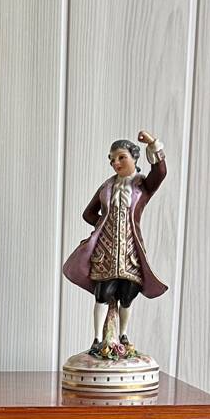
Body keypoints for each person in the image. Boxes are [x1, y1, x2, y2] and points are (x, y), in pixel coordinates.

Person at [62, 130, 167, 355]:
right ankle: (98, 338)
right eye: (112, 159)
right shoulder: (107, 187)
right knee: (102, 293)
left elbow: (160, 172)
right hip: (106, 252)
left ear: (134, 157)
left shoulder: (142, 186)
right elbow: (88, 213)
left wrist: (153, 145)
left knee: (127, 296)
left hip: (130, 251)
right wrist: (105, 224)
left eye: (121, 157)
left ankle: (123, 335)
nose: (115, 163)